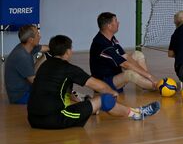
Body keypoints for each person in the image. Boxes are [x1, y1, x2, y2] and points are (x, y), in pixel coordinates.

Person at [27, 35, 160, 129]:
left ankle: (95, 109)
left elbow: (62, 91)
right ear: (68, 52)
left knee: (92, 103)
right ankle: (138, 113)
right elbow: (97, 85)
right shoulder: (69, 69)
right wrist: (111, 92)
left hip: (33, 119)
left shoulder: (44, 66)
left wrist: (85, 103)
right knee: (104, 100)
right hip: (54, 119)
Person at [90, 12, 156, 92]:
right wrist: (149, 76)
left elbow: (126, 57)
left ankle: (147, 83)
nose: (118, 23)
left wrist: (146, 75)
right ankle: (158, 86)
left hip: (114, 75)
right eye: (115, 21)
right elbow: (125, 64)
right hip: (105, 83)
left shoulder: (110, 38)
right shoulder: (101, 44)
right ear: (109, 26)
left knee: (138, 54)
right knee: (130, 74)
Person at [4, 24, 49, 104]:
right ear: (31, 40)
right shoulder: (22, 56)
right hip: (20, 96)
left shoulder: (26, 46)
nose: (40, 36)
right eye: (37, 34)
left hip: (27, 87)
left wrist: (59, 47)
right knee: (52, 98)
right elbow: (35, 82)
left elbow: (46, 48)